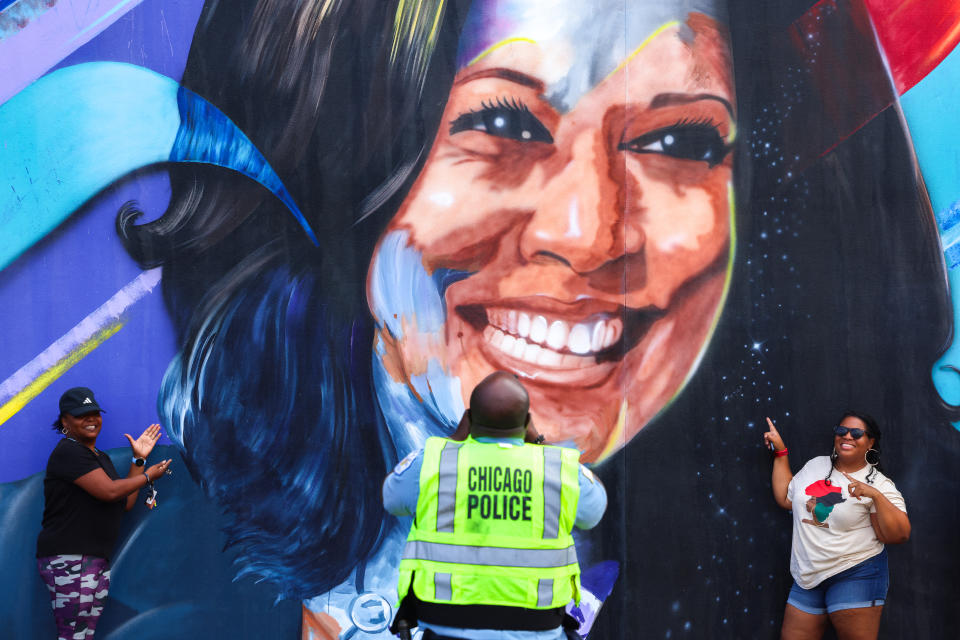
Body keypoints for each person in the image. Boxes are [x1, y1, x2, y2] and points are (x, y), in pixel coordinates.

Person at [383, 372, 606, 639]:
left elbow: (392, 499)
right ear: (526, 423)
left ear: (469, 419)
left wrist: (452, 443)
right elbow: (593, 514)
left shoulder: (434, 462)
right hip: (537, 627)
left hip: (447, 627)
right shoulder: (558, 469)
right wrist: (538, 442)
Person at [36, 387, 173, 640]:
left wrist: (138, 460)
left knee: (83, 635)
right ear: (65, 421)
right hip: (70, 559)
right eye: (80, 415)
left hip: (93, 559)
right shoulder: (69, 451)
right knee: (73, 635)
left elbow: (124, 502)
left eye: (94, 413)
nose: (91, 419)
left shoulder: (100, 458)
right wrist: (148, 476)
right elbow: (109, 492)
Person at [763, 412, 911, 640]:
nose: (847, 436)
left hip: (855, 573)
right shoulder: (816, 465)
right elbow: (786, 498)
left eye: (857, 433)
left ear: (870, 442)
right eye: (841, 431)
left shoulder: (878, 482)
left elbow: (900, 534)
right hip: (808, 576)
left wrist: (875, 496)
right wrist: (781, 452)